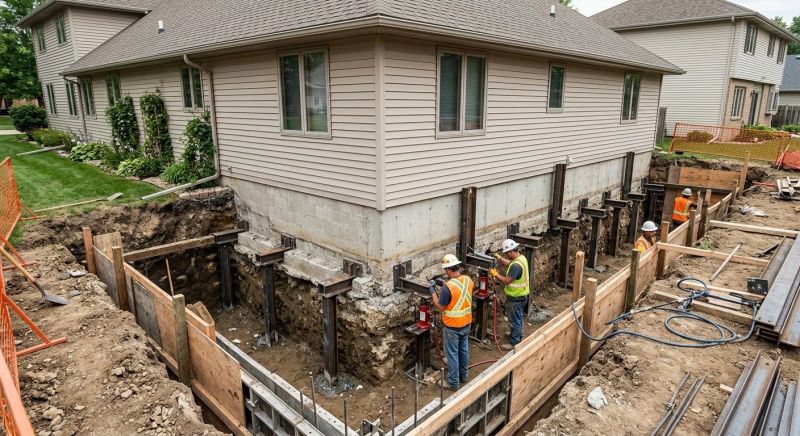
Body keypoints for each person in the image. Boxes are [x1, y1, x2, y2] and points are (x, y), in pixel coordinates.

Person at [430, 254, 473, 390]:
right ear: (458, 267)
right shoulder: (468, 280)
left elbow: (441, 306)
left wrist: (432, 292)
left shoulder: (447, 287)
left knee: (452, 354)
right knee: (463, 350)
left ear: (448, 270)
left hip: (453, 326)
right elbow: (458, 291)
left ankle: (453, 382)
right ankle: (464, 376)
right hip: (466, 322)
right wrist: (444, 285)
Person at [489, 239, 530, 351]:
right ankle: (516, 334)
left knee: (514, 319)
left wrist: (495, 274)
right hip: (522, 295)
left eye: (506, 253)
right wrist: (500, 258)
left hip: (516, 297)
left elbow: (507, 280)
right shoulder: (521, 258)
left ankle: (514, 342)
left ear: (511, 251)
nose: (506, 255)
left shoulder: (516, 266)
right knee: (518, 317)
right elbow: (510, 263)